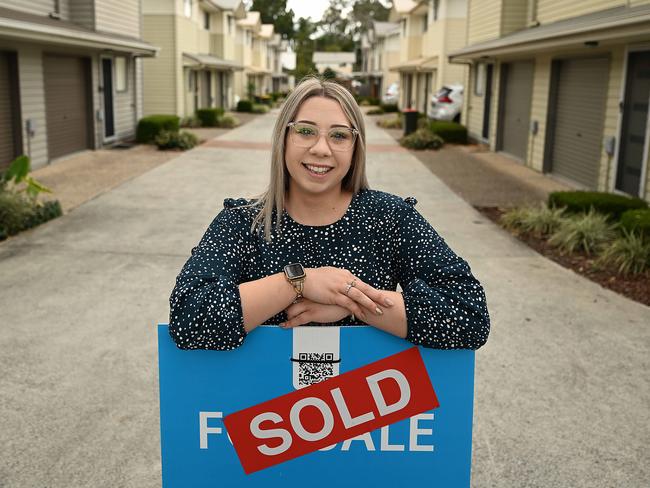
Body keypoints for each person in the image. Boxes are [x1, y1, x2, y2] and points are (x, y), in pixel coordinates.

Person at [168, 77, 490, 351]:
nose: (321, 148)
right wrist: (299, 282)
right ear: (283, 138)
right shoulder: (241, 223)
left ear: (355, 147)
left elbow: (469, 316)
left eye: (338, 135)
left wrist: (352, 306)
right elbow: (188, 321)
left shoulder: (391, 218)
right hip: (264, 417)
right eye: (305, 131)